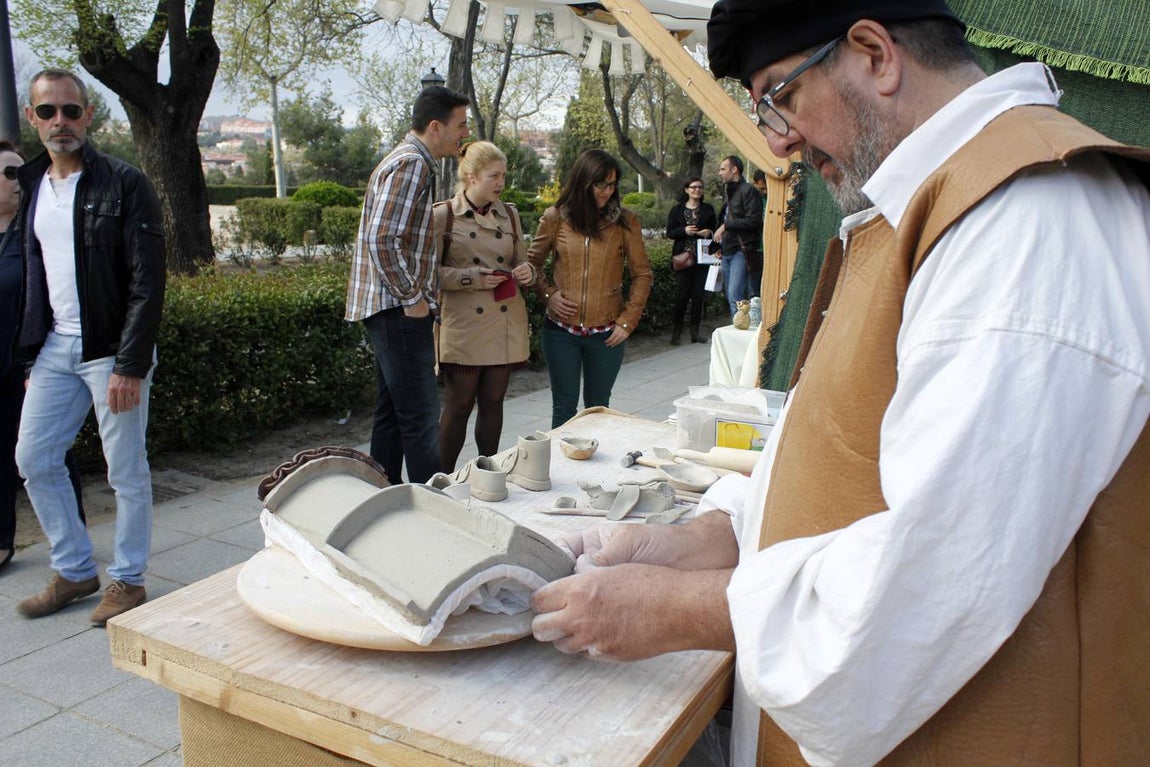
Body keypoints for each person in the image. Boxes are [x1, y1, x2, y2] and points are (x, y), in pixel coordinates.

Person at [530, 2, 1150, 765]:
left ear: (874, 55)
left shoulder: (1028, 222)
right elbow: (841, 456)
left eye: (780, 98)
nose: (776, 139)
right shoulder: (938, 201)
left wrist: (674, 609)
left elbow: (933, 576)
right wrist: (700, 539)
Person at [14, 69, 166, 625]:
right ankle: (75, 568)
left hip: (110, 350)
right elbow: (34, 272)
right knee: (33, 457)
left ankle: (128, 580)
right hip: (55, 347)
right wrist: (32, 352)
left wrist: (130, 363)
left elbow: (149, 281)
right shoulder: (33, 185)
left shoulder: (123, 183)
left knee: (124, 468)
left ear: (89, 115)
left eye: (71, 111)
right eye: (48, 112)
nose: (61, 122)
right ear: (32, 118)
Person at [345, 85, 470, 484]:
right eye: (460, 125)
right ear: (436, 126)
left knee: (393, 416)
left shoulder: (408, 160)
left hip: (388, 310)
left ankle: (381, 498)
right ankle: (429, 510)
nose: (465, 133)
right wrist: (412, 298)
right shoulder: (412, 164)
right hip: (397, 311)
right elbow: (381, 237)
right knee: (420, 418)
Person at [0, 141, 87, 574]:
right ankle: (4, 539)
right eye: (6, 174)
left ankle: (75, 536)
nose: (15, 182)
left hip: (32, 363)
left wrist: (38, 361)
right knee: (18, 455)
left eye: (19, 173)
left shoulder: (38, 231)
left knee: (50, 450)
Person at [527, 149, 653, 428]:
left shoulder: (625, 221)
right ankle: (561, 469)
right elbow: (530, 265)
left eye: (612, 184)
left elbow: (642, 274)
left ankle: (593, 468)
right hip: (561, 332)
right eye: (600, 184)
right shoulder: (555, 217)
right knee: (564, 407)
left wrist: (627, 321)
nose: (607, 191)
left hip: (606, 335)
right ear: (584, 181)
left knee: (597, 409)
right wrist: (548, 295)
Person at [433, 141, 536, 472]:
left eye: (504, 175)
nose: (501, 183)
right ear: (472, 177)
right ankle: (440, 478)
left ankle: (486, 473)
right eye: (494, 176)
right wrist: (472, 277)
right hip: (462, 324)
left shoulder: (510, 214)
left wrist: (527, 271)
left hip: (504, 320)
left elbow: (526, 262)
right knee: (459, 404)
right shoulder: (443, 215)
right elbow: (427, 274)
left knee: (493, 402)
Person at [664, 177, 717, 345]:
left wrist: (707, 232)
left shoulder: (708, 209)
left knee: (698, 296)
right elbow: (670, 232)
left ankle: (695, 332)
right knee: (681, 296)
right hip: (683, 258)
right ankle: (676, 333)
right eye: (693, 187)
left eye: (700, 187)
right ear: (686, 189)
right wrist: (684, 230)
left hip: (702, 259)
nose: (697, 190)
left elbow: (715, 230)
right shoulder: (677, 210)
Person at [713, 155, 763, 315]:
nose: (719, 173)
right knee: (731, 297)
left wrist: (726, 226)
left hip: (742, 251)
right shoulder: (730, 191)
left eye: (723, 169)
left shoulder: (748, 190)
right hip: (727, 250)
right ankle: (740, 331)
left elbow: (754, 221)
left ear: (734, 170)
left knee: (736, 297)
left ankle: (744, 335)